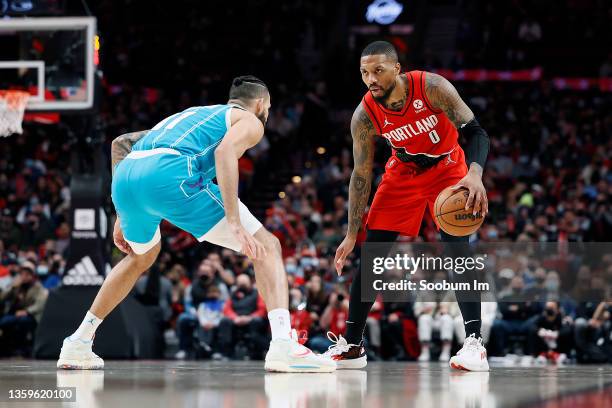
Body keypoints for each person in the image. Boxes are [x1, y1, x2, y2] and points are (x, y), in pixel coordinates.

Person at [57, 76, 335, 373]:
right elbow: (224, 152)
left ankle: (78, 342)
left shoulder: (191, 116)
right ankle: (283, 345)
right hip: (170, 172)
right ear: (260, 103)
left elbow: (121, 144)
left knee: (140, 256)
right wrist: (233, 220)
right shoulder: (251, 120)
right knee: (268, 246)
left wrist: (120, 214)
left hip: (127, 177)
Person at [328, 41, 491, 371]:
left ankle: (474, 343)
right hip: (403, 172)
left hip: (448, 167)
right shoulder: (364, 114)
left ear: (397, 69)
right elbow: (360, 174)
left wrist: (475, 174)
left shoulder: (431, 86)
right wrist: (350, 231)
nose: (370, 79)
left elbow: (475, 132)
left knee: (457, 248)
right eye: (364, 73)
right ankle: (353, 346)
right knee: (372, 254)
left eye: (378, 70)